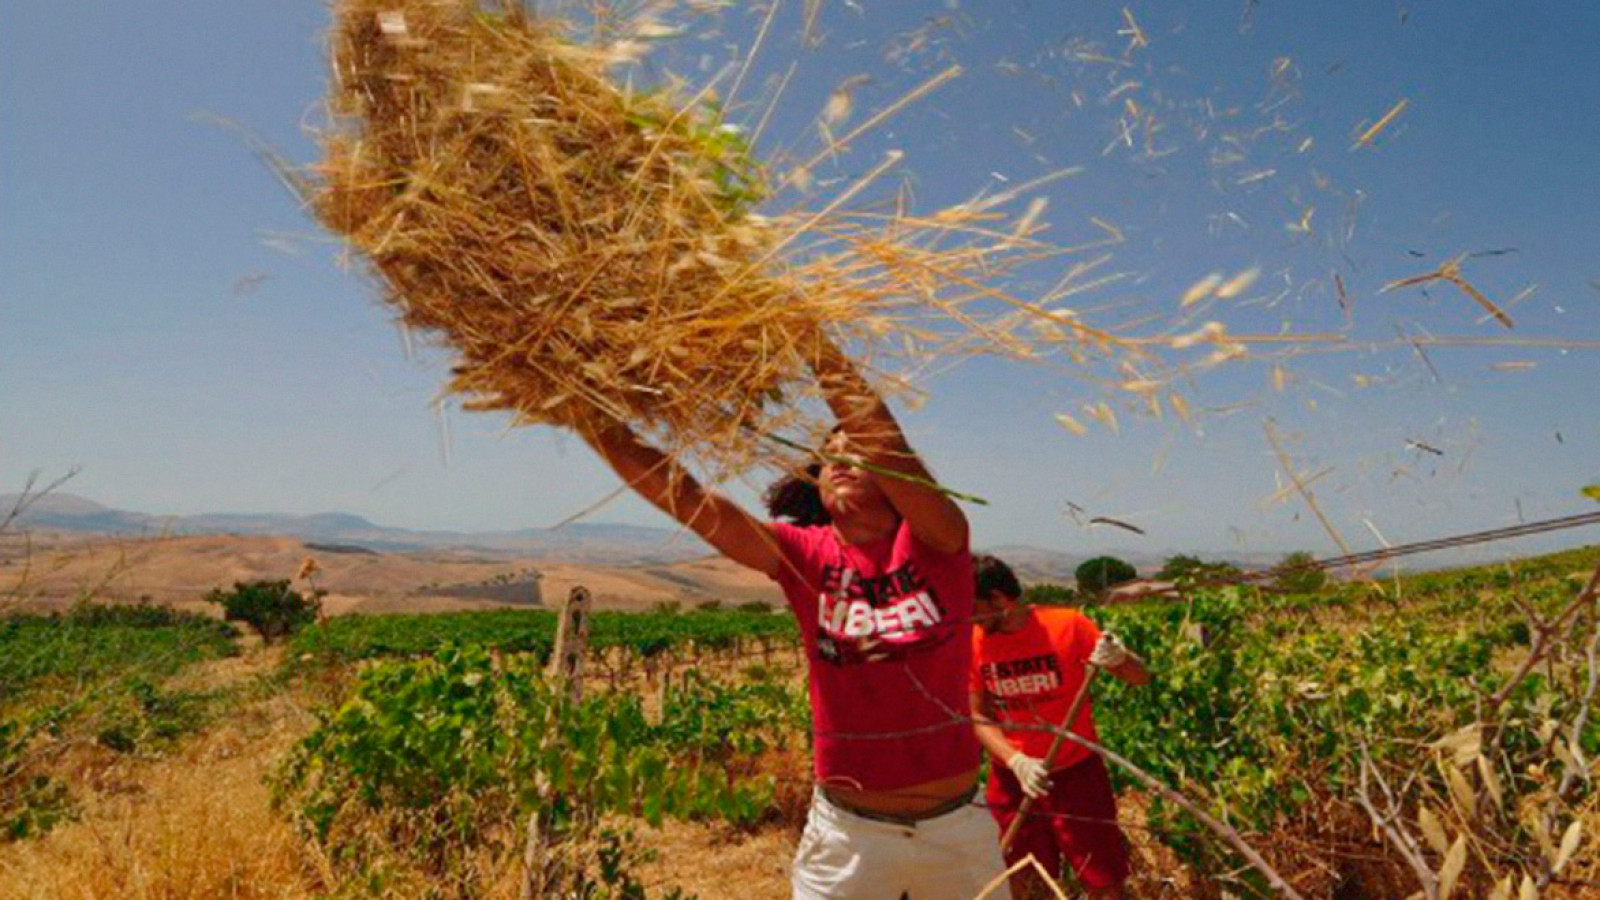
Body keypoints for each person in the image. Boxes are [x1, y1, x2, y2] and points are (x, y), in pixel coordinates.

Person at [576, 340, 1010, 900]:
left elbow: (887, 441)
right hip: (848, 834)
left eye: (859, 450)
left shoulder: (938, 541)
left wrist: (812, 343)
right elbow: (690, 500)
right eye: (830, 455)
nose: (843, 458)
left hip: (956, 831)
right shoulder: (804, 556)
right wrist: (588, 416)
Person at [969, 554, 1150, 900]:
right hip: (1012, 779)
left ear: (998, 599)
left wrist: (1121, 658)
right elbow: (977, 714)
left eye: (974, 606)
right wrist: (1017, 762)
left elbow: (1139, 677)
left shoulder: (1067, 625)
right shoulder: (975, 641)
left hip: (1076, 773)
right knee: (1023, 880)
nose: (970, 617)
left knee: (1103, 879)